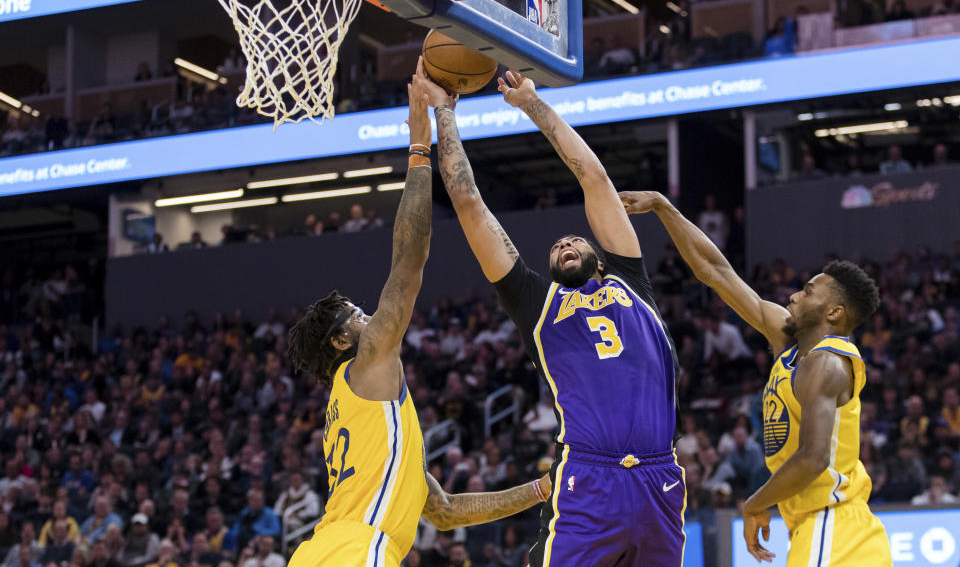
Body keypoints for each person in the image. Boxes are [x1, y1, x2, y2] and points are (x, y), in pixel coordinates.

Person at [285, 59, 552, 567]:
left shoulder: (370, 415)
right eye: (358, 314)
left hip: (327, 551)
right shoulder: (364, 367)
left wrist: (541, 488)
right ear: (341, 341)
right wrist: (417, 144)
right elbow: (409, 262)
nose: (371, 317)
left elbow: (446, 510)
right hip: (354, 552)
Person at [426, 69, 683, 566]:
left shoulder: (630, 281)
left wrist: (531, 104)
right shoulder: (534, 301)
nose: (565, 243)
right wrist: (445, 112)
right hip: (588, 480)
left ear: (602, 257)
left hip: (660, 479)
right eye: (556, 245)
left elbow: (595, 177)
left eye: (575, 240)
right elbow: (468, 202)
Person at [618, 190, 891, 566]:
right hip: (822, 528)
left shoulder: (826, 364)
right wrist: (664, 207)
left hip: (834, 523)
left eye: (808, 292)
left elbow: (813, 458)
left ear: (834, 312)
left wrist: (754, 503)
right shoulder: (788, 342)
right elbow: (715, 271)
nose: (794, 295)